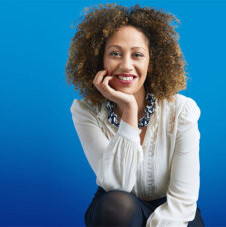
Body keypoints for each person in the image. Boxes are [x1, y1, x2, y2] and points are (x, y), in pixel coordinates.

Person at [66, 3, 204, 227]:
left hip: (175, 212)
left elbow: (182, 200)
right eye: (115, 53)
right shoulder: (85, 111)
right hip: (118, 211)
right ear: (99, 59)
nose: (126, 65)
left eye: (137, 54)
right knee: (117, 205)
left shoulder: (182, 110)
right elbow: (117, 184)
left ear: (153, 61)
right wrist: (129, 110)